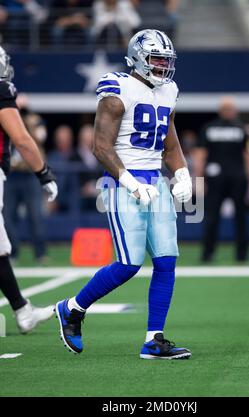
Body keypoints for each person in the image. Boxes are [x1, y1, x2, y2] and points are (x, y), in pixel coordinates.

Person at [55, 29, 192, 360]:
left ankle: (153, 340)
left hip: (156, 183)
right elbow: (100, 146)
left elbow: (169, 142)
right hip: (122, 182)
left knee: (166, 260)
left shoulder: (169, 90)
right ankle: (72, 308)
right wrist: (130, 182)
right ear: (139, 58)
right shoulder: (117, 88)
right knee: (129, 264)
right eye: (157, 59)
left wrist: (182, 172)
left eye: (166, 61)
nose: (162, 67)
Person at [0, 46, 58, 333]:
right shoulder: (2, 89)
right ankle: (23, 310)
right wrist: (44, 173)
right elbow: (21, 139)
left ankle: (22, 310)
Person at [195, 97, 249, 263]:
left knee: (237, 217)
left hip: (231, 178)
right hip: (226, 178)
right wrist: (199, 180)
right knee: (215, 217)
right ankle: (212, 253)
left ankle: (237, 254)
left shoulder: (243, 130)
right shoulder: (243, 129)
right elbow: (201, 155)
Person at [3, 93, 48, 263]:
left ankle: (40, 252)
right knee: (8, 215)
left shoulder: (35, 120)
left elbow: (40, 138)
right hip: (11, 174)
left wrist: (25, 125)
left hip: (30, 174)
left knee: (35, 215)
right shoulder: (5, 118)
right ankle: (12, 252)